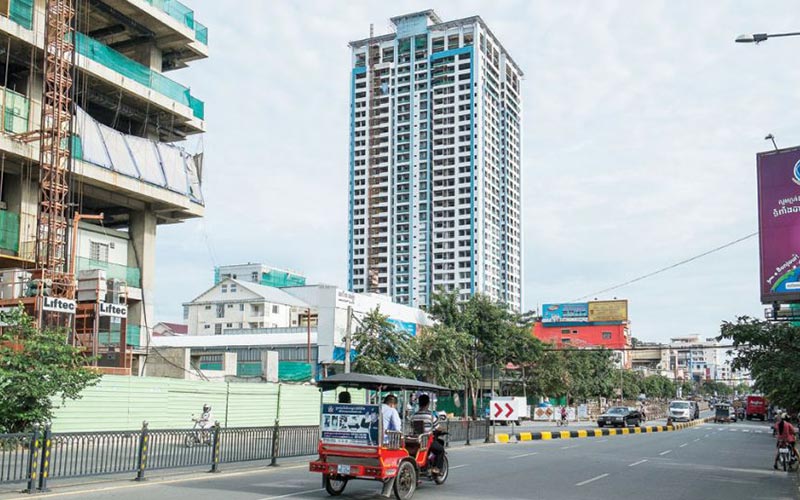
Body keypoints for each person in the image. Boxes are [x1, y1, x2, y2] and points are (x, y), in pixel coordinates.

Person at [412, 395, 445, 474]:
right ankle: (437, 468)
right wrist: (443, 429)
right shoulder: (430, 416)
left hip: (417, 440)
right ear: (428, 403)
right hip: (427, 441)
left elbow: (412, 426)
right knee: (440, 450)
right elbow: (437, 427)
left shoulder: (414, 415)